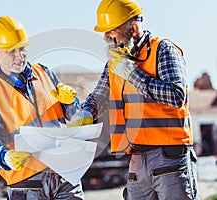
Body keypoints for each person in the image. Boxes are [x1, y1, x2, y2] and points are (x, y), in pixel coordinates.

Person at [69, 0, 200, 199]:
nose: (106, 37)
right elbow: (100, 94)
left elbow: (176, 95)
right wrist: (87, 111)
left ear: (133, 27)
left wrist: (132, 74)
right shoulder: (115, 61)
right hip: (137, 158)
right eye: (104, 32)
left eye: (111, 30)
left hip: (170, 158)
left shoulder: (163, 50)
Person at [0, 16, 84, 200]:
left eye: (22, 48)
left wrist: (71, 103)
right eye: (12, 51)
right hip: (27, 183)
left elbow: (76, 117)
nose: (19, 55)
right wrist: (6, 157)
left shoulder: (44, 73)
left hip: (64, 172)